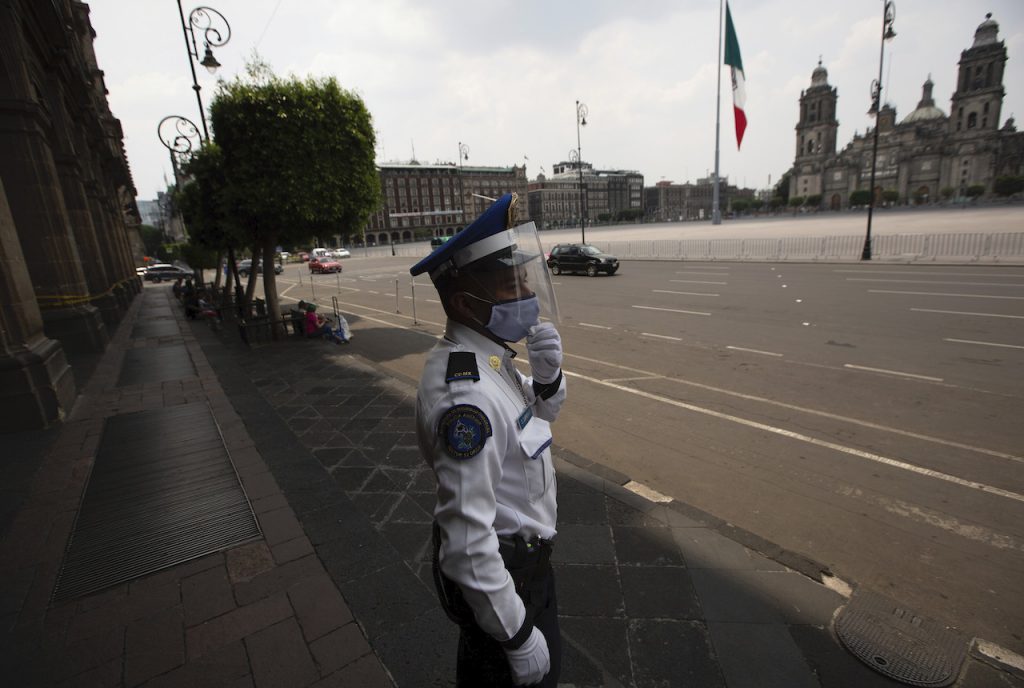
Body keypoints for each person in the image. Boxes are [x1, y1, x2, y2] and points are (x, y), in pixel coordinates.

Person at [411, 193, 565, 687]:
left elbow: (537, 422)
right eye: (510, 284)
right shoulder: (466, 397)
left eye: (525, 278)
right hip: (506, 581)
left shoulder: (489, 357)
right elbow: (466, 541)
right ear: (465, 302)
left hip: (529, 568)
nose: (526, 292)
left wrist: (548, 377)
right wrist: (516, 637)